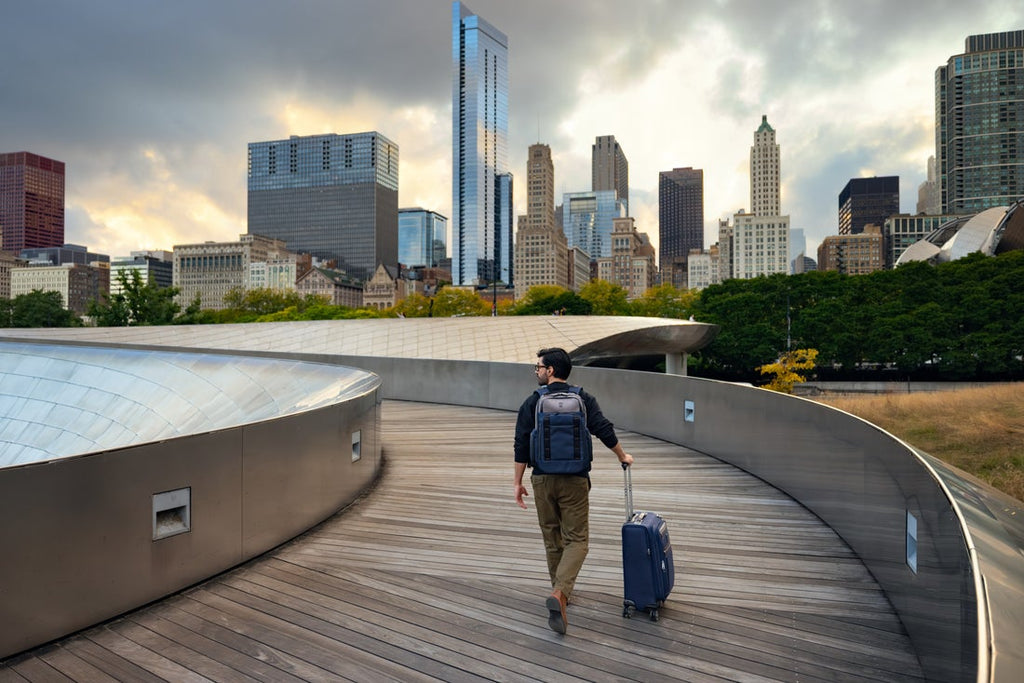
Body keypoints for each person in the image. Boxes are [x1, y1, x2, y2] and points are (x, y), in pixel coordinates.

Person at [513, 347, 633, 634]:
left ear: (550, 370)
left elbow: (520, 444)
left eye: (538, 367)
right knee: (577, 540)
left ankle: (560, 591)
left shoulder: (533, 401)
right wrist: (622, 456)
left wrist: (517, 483)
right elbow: (603, 429)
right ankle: (561, 593)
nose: (537, 371)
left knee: (552, 538)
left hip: (542, 479)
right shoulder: (583, 398)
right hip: (575, 479)